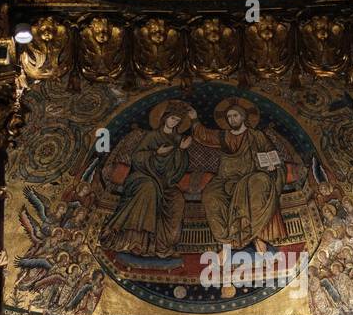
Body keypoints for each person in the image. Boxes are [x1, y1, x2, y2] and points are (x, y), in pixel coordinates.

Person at [190, 99, 286, 253]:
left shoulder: (256, 135)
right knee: (210, 195)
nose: (232, 119)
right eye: (229, 117)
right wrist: (194, 119)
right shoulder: (223, 136)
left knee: (259, 182)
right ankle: (226, 243)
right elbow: (204, 135)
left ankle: (255, 236)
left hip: (251, 175)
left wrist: (272, 166)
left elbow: (271, 153)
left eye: (235, 115)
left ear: (243, 117)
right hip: (225, 178)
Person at [103, 103, 192, 257]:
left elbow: (177, 170)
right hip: (142, 176)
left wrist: (181, 151)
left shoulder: (178, 140)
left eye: (177, 121)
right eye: (172, 118)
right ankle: (130, 241)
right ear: (165, 118)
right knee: (148, 188)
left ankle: (161, 246)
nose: (174, 122)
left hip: (164, 182)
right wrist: (156, 153)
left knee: (177, 199)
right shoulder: (151, 136)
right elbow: (137, 158)